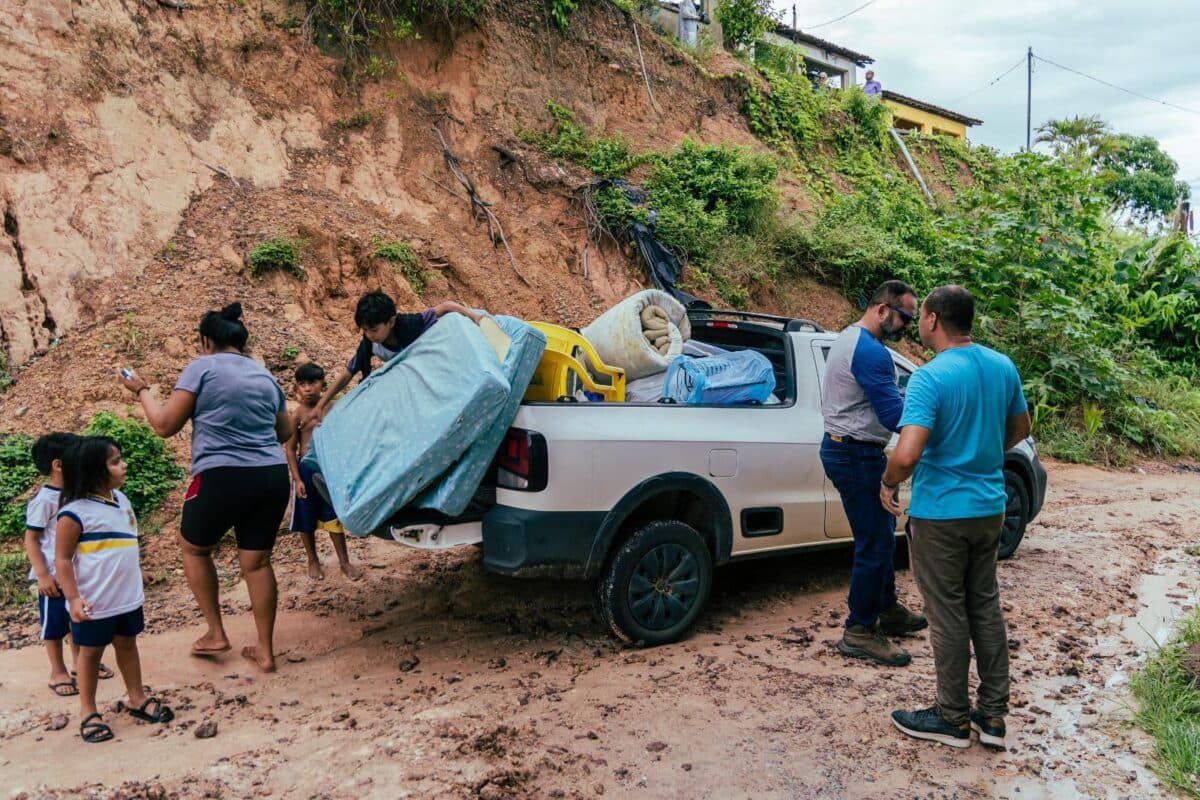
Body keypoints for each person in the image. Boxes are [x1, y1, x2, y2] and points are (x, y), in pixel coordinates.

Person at [881, 285, 1029, 750]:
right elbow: (1021, 428)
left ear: (931, 320)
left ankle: (951, 717)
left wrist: (888, 482)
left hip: (942, 512)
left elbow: (907, 454)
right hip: (989, 507)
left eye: (921, 314)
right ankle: (993, 717)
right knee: (983, 605)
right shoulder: (1002, 366)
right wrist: (981, 454)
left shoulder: (930, 377)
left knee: (946, 614)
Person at [119, 302, 294, 673]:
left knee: (195, 549)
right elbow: (284, 432)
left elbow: (165, 425)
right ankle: (265, 650)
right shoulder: (265, 377)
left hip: (219, 474)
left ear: (206, 341)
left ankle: (215, 632)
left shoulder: (202, 367)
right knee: (257, 562)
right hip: (271, 476)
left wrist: (142, 390)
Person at [820, 279, 925, 667]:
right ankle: (859, 631)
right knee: (874, 544)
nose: (908, 326)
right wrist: (932, 416)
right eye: (905, 318)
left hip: (849, 450)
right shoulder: (871, 353)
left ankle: (886, 609)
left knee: (880, 535)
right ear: (882, 310)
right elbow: (894, 416)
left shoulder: (850, 338)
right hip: (855, 455)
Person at [55, 436, 175, 743]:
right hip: (95, 601)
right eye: (115, 461)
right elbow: (63, 560)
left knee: (127, 643)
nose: (123, 466)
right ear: (95, 471)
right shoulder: (74, 513)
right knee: (91, 653)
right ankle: (88, 711)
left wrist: (138, 569)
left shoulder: (122, 501)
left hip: (126, 597)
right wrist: (73, 598)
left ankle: (136, 697)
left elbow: (125, 543)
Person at [314, 291, 485, 419]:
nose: (369, 335)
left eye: (374, 330)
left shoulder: (411, 324)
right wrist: (320, 406)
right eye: (365, 330)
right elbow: (347, 374)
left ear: (391, 321)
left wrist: (474, 317)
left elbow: (446, 306)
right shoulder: (370, 345)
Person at [24, 431, 105, 697]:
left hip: (76, 575)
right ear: (58, 465)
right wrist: (43, 575)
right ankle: (57, 670)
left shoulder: (76, 496)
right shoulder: (44, 501)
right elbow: (32, 540)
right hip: (53, 579)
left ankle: (79, 664)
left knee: (79, 619)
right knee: (55, 626)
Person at [285, 362, 360, 581]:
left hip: (330, 471)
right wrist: (297, 479)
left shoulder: (334, 408)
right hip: (306, 472)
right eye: (302, 384)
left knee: (333, 517)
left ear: (323, 385)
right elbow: (290, 449)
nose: (308, 388)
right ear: (296, 388)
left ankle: (344, 562)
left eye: (312, 383)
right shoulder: (297, 415)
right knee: (305, 519)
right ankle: (313, 560)